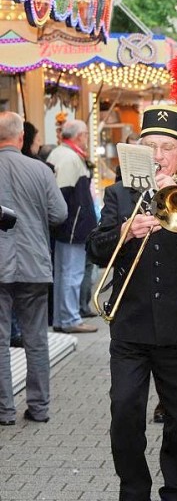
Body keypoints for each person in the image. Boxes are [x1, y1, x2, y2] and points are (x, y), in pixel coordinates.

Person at [86, 104, 177, 501]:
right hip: (131, 324)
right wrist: (126, 232)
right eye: (152, 146)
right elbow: (96, 249)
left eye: (168, 147)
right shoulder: (118, 194)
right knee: (124, 413)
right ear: (139, 150)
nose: (160, 155)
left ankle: (176, 487)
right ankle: (133, 488)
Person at [0, 112, 67, 426]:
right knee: (37, 339)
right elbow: (59, 214)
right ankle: (39, 408)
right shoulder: (40, 170)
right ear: (21, 137)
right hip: (34, 263)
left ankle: (4, 410)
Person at [47, 119, 98, 334]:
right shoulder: (69, 157)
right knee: (72, 274)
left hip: (66, 227)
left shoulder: (59, 153)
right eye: (86, 134)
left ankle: (62, 318)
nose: (87, 138)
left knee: (64, 274)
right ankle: (69, 318)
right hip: (72, 227)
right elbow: (63, 194)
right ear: (78, 136)